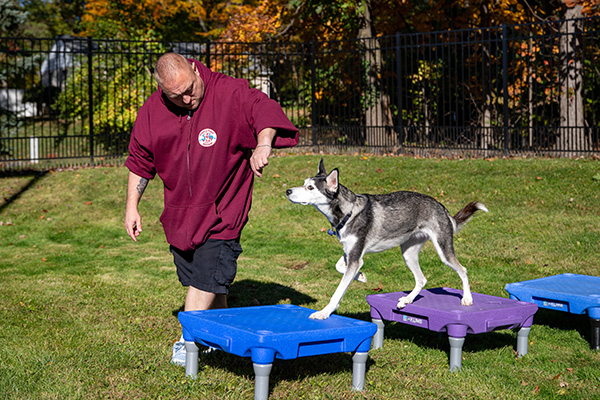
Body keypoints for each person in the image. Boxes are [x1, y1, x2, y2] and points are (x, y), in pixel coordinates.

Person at [124, 52, 298, 365]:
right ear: (162, 90)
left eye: (190, 89)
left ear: (194, 68)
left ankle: (187, 342)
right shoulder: (153, 110)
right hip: (180, 213)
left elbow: (264, 109)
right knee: (204, 280)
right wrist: (132, 206)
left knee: (206, 276)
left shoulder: (229, 92)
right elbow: (140, 159)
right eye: (175, 96)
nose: (186, 99)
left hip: (223, 211)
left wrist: (262, 143)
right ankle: (223, 334)